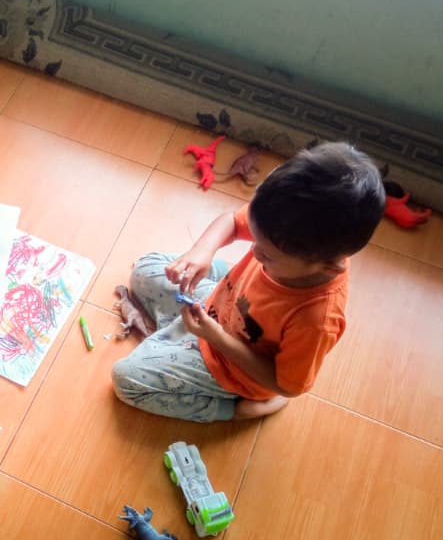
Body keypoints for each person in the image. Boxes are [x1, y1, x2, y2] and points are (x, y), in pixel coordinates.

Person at [112, 141, 385, 422]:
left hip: (232, 367)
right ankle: (175, 332)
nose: (253, 252)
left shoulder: (315, 320)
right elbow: (230, 221)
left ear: (327, 266)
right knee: (145, 269)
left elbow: (286, 385)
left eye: (266, 255)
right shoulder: (290, 228)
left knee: (126, 381)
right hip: (218, 305)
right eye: (256, 240)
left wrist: (213, 335)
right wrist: (201, 253)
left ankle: (239, 409)